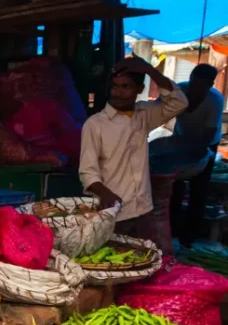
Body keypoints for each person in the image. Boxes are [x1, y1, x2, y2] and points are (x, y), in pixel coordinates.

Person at [79, 56, 187, 242]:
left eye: (126, 87)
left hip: (143, 209)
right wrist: (106, 193)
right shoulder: (95, 124)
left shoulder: (144, 114)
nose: (118, 93)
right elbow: (87, 171)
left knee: (142, 261)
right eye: (115, 86)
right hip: (113, 212)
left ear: (140, 89)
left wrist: (150, 71)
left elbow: (179, 103)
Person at [169, 64, 224, 247]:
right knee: (174, 187)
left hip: (206, 144)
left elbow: (208, 134)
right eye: (193, 84)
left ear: (210, 85)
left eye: (201, 87)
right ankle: (171, 230)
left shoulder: (215, 101)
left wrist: (194, 159)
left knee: (198, 190)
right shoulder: (180, 90)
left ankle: (188, 239)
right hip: (181, 139)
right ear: (190, 79)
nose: (195, 90)